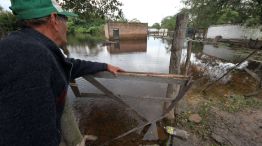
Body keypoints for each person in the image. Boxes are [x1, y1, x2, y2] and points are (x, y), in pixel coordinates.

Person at [0, 0, 124, 145]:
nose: (67, 25)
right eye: (66, 19)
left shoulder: (27, 45)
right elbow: (33, 136)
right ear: (54, 20)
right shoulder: (30, 57)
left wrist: (104, 65)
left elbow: (69, 65)